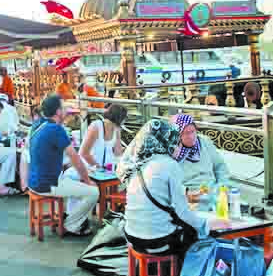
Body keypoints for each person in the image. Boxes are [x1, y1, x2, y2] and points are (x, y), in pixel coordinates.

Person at [117, 119, 229, 259]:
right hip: (156, 243)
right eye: (176, 142)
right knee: (197, 236)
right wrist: (207, 225)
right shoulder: (169, 165)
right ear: (164, 142)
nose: (178, 147)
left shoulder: (137, 163)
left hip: (131, 237)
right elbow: (182, 212)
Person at [29, 95, 98, 236]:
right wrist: (87, 180)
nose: (67, 110)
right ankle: (72, 224)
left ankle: (71, 216)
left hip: (34, 181)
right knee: (93, 192)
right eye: (64, 107)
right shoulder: (56, 130)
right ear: (58, 112)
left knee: (74, 181)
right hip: (48, 184)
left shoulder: (39, 124)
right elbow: (75, 157)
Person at [170, 114, 230, 195]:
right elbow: (168, 182)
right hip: (189, 195)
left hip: (212, 190)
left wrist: (222, 186)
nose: (191, 136)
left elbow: (220, 166)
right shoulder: (172, 151)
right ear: (177, 135)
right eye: (186, 133)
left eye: (192, 131)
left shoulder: (204, 142)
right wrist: (187, 193)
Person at [78, 104, 127, 169]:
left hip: (106, 170)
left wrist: (127, 149)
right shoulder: (96, 126)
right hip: (89, 168)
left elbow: (118, 153)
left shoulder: (116, 129)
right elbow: (84, 153)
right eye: (125, 117)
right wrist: (99, 168)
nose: (125, 120)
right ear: (120, 118)